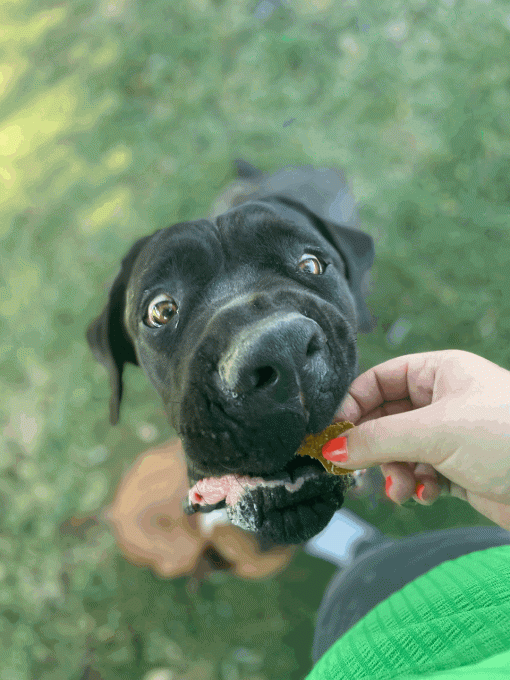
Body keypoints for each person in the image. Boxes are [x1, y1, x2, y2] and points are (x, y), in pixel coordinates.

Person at [306, 349, 510, 679]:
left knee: (363, 578)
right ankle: (363, 547)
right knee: (374, 570)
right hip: (488, 583)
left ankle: (361, 546)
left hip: (380, 644)